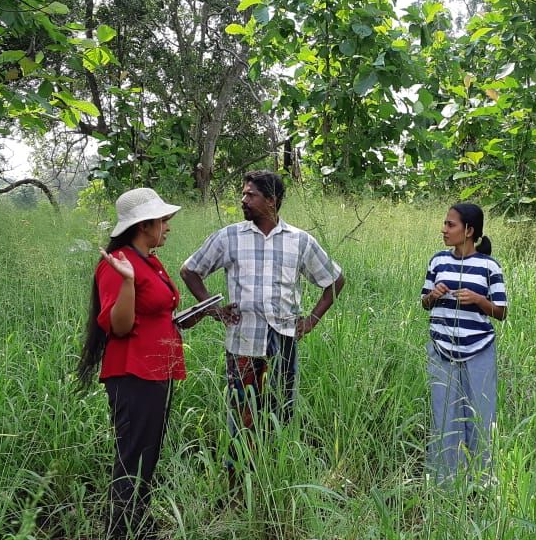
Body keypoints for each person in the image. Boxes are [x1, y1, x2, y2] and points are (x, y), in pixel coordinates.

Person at [179, 170, 344, 486]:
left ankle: (274, 477)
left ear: (272, 200)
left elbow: (335, 280)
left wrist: (312, 320)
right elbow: (190, 270)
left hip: (284, 340)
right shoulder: (230, 237)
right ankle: (238, 482)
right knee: (241, 411)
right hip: (242, 340)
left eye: (250, 195)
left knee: (281, 409)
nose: (243, 200)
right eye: (243, 194)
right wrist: (212, 309)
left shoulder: (299, 241)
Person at [77, 187, 193, 539]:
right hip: (133, 372)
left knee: (147, 454)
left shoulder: (149, 261)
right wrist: (127, 281)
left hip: (155, 368)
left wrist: (182, 319)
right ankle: (123, 529)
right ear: (144, 225)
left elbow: (155, 311)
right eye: (163, 221)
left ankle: (138, 525)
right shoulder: (118, 265)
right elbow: (120, 325)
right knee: (134, 457)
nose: (168, 227)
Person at [420, 203, 507, 484]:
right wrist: (434, 295)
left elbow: (501, 311)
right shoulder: (437, 261)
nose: (444, 230)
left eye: (450, 225)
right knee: (443, 412)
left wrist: (479, 301)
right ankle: (445, 479)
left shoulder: (489, 266)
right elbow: (424, 302)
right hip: (441, 348)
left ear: (469, 231)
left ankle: (481, 480)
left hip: (478, 349)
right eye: (444, 224)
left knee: (480, 413)